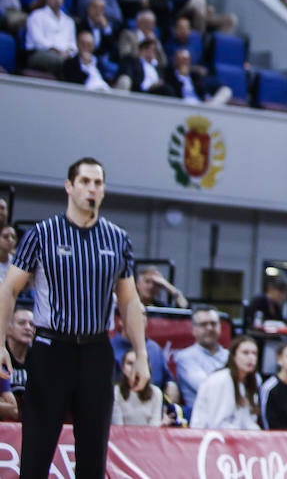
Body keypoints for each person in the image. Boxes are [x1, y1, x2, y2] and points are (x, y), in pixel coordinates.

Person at [0, 158, 147, 479]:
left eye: (98, 183)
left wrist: (142, 354)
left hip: (96, 352)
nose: (91, 189)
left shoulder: (118, 239)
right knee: (37, 453)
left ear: (104, 190)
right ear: (69, 186)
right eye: (85, 181)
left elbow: (129, 299)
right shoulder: (41, 234)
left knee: (93, 458)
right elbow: (9, 289)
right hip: (51, 349)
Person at [190, 335, 261, 430]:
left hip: (236, 438)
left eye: (254, 353)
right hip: (208, 438)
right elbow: (216, 424)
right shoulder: (220, 380)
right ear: (233, 356)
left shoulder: (249, 382)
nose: (251, 358)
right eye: (245, 353)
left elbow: (247, 422)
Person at [172, 306, 228, 417]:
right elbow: (206, 388)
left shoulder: (231, 356)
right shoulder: (185, 357)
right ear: (194, 329)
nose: (209, 328)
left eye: (213, 323)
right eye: (203, 324)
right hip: (199, 419)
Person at [112, 348, 166, 427]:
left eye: (138, 363)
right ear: (123, 368)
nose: (134, 368)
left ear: (147, 367)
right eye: (130, 363)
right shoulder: (116, 392)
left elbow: (154, 428)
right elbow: (118, 428)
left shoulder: (156, 393)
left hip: (149, 438)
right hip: (122, 438)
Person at [4, 306, 33, 411]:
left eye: (32, 324)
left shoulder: (39, 357)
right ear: (8, 329)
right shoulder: (1, 355)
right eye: (21, 323)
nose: (28, 328)